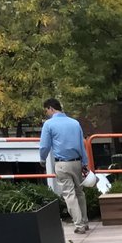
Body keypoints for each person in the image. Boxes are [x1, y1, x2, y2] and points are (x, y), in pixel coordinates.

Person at [39, 98, 90, 233]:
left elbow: (44, 146)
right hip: (77, 162)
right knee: (80, 192)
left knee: (69, 194)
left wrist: (42, 159)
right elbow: (82, 143)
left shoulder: (49, 124)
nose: (47, 113)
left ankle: (79, 225)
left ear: (51, 108)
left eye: (46, 111)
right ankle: (85, 221)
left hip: (62, 163)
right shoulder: (75, 123)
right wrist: (85, 163)